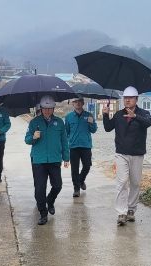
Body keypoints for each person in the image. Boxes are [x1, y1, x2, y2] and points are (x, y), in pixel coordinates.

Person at [102, 86, 151, 226]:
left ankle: (131, 209)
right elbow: (108, 128)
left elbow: (148, 123)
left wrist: (135, 117)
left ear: (136, 99)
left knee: (135, 182)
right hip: (121, 153)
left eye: (130, 98)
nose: (127, 100)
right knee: (122, 181)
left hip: (137, 154)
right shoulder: (119, 115)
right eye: (125, 98)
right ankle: (121, 212)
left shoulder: (144, 113)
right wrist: (105, 115)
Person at [25, 95, 69, 225]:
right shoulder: (34, 122)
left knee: (57, 185)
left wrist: (66, 157)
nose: (47, 111)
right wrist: (33, 137)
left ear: (53, 108)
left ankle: (50, 200)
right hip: (39, 160)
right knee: (40, 189)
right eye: (45, 108)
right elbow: (27, 140)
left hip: (55, 159)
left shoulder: (59, 122)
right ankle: (43, 213)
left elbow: (64, 141)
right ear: (41, 108)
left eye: (50, 108)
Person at [64, 97, 97, 197]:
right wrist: (67, 142)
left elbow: (93, 130)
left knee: (87, 166)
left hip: (86, 145)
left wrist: (91, 123)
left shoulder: (89, 115)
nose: (77, 103)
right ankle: (76, 189)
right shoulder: (68, 117)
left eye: (79, 101)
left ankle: (81, 180)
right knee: (74, 169)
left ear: (83, 103)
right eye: (75, 102)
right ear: (73, 104)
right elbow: (66, 132)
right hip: (73, 146)